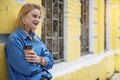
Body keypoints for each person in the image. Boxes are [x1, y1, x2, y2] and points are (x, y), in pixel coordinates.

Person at [4, 3, 54, 80]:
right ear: (23, 17)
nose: (37, 20)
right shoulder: (14, 40)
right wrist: (43, 64)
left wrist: (38, 59)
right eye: (34, 16)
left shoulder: (36, 38)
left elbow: (50, 61)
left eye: (39, 17)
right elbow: (28, 69)